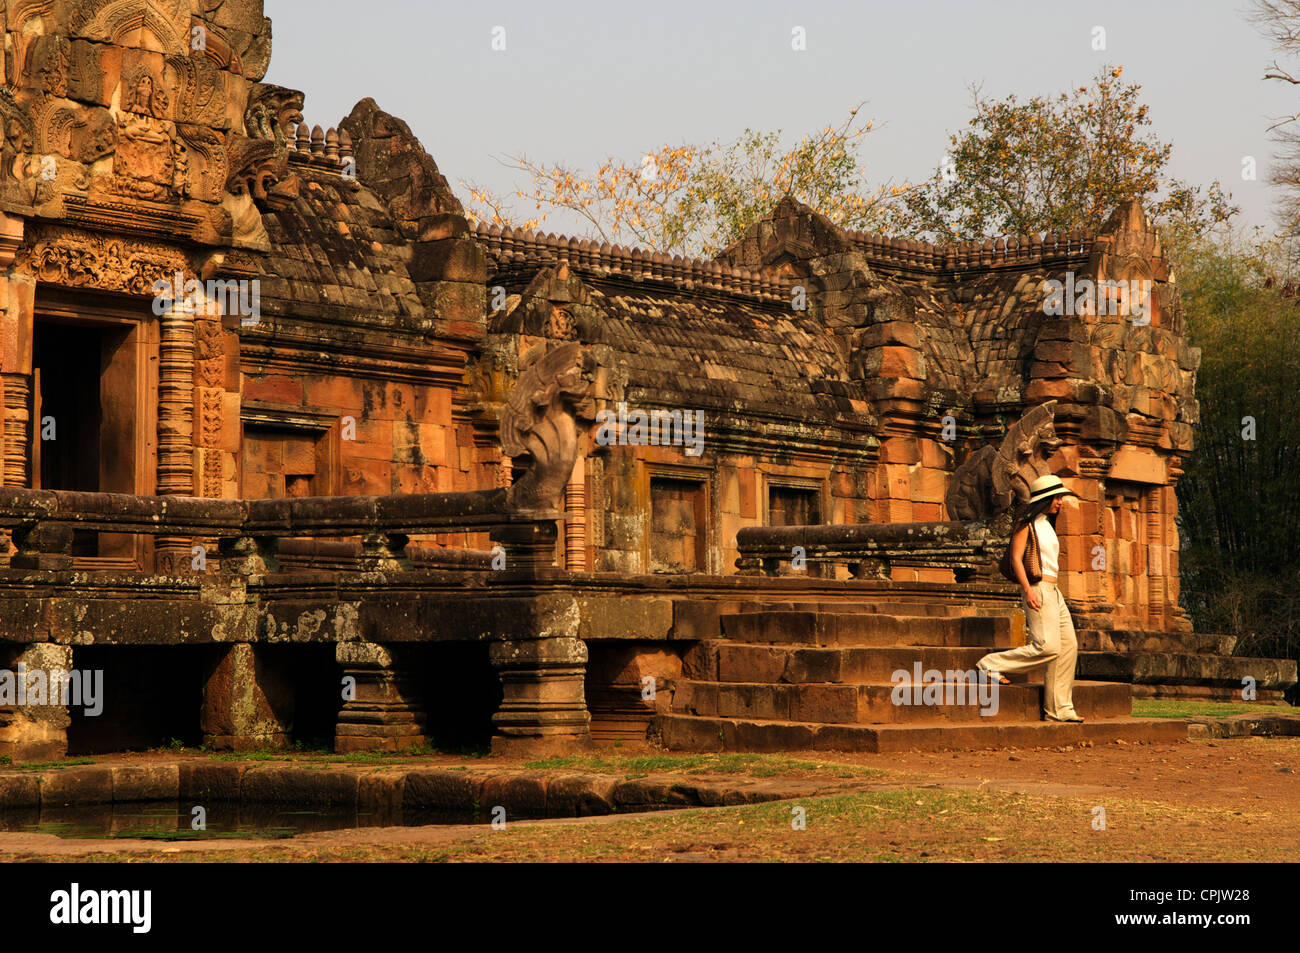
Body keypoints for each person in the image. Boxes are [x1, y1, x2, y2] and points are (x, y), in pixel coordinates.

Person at [977, 474, 1084, 723]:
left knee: (1068, 647)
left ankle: (1059, 709)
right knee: (1047, 647)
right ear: (1045, 498)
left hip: (1054, 591)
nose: (1060, 501)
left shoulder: (1047, 523)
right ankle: (989, 664)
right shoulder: (1026, 522)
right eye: (1057, 497)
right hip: (1037, 588)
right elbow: (1016, 559)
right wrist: (1028, 590)